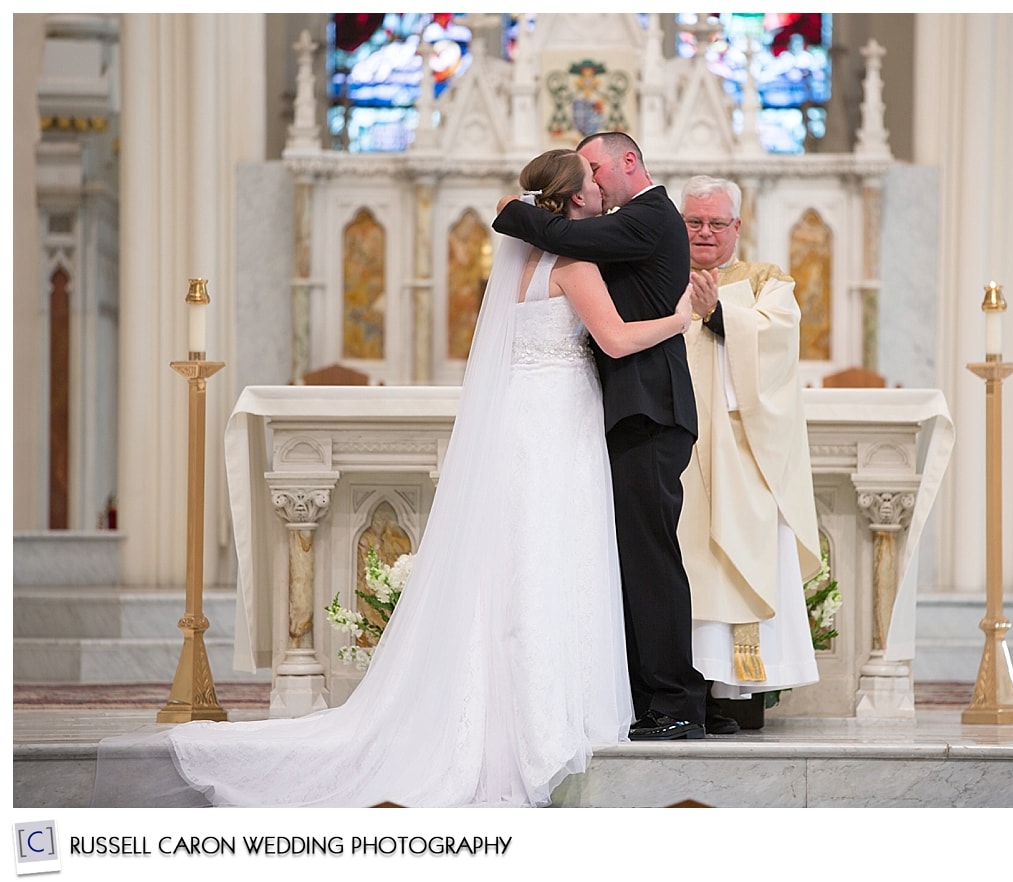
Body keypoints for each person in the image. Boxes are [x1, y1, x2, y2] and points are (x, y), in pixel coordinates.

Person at [91, 149, 692, 808]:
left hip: (522, 415)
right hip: (560, 420)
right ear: (575, 200)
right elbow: (613, 341)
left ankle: (502, 705)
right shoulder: (576, 266)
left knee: (511, 558)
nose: (604, 192)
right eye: (594, 185)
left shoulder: (518, 265)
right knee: (556, 555)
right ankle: (552, 717)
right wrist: (682, 316)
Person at [493, 131, 707, 740]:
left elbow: (563, 237)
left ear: (628, 161)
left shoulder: (648, 217)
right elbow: (564, 242)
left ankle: (676, 702)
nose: (592, 182)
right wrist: (679, 319)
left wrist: (513, 210)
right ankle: (648, 694)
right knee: (623, 559)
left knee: (649, 558)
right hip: (610, 410)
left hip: (647, 411)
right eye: (581, 174)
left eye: (595, 166)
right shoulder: (600, 238)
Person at [676, 176, 821, 735]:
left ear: (738, 226)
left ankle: (732, 694)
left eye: (717, 223)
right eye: (694, 222)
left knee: (732, 564)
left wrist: (717, 315)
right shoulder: (657, 275)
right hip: (677, 454)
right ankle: (678, 687)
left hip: (741, 457)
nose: (706, 232)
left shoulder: (765, 281)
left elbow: (778, 342)